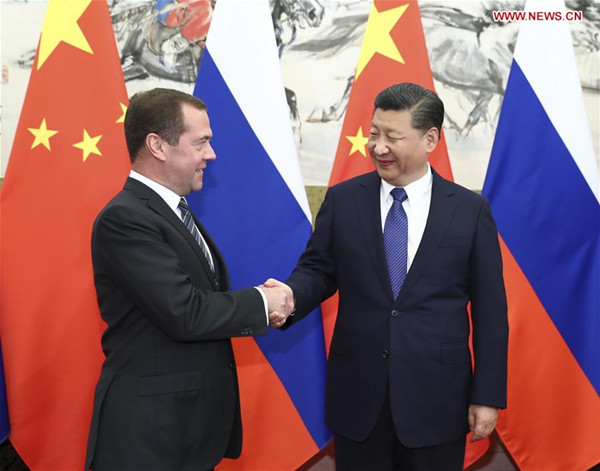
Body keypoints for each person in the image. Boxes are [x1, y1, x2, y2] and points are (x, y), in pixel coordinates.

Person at [267, 83, 508, 471]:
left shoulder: (470, 211)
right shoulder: (344, 200)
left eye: (392, 137)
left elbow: (490, 313)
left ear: (430, 138)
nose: (378, 147)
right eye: (374, 133)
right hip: (360, 397)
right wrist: (291, 294)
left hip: (437, 400)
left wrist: (487, 395)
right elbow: (319, 270)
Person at [85, 88, 293, 471]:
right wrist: (264, 303)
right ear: (157, 146)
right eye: (201, 143)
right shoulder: (125, 219)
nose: (210, 155)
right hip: (149, 435)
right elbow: (185, 311)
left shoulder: (174, 212)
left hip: (186, 429)